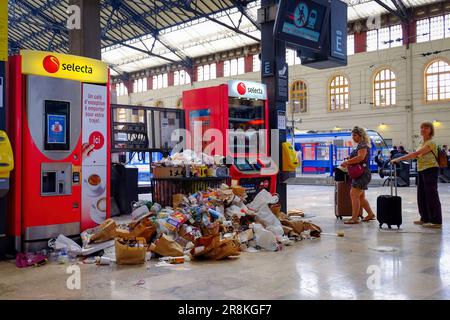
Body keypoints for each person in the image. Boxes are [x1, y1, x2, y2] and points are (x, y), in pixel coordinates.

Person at [391, 122, 442, 228]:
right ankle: (425, 218)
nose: (423, 129)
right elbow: (417, 155)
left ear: (431, 130)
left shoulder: (432, 142)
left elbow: (415, 154)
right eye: (422, 127)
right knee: (422, 195)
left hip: (431, 169)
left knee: (431, 195)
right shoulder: (420, 142)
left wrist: (398, 159)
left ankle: (436, 221)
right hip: (421, 169)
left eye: (426, 128)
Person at [340, 126, 376, 224]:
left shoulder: (362, 145)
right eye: (352, 135)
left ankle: (354, 218)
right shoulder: (361, 145)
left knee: (353, 194)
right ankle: (370, 214)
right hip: (361, 173)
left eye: (355, 135)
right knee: (361, 197)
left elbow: (361, 157)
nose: (353, 137)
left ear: (361, 135)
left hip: (362, 174)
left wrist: (347, 162)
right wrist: (350, 158)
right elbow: (359, 157)